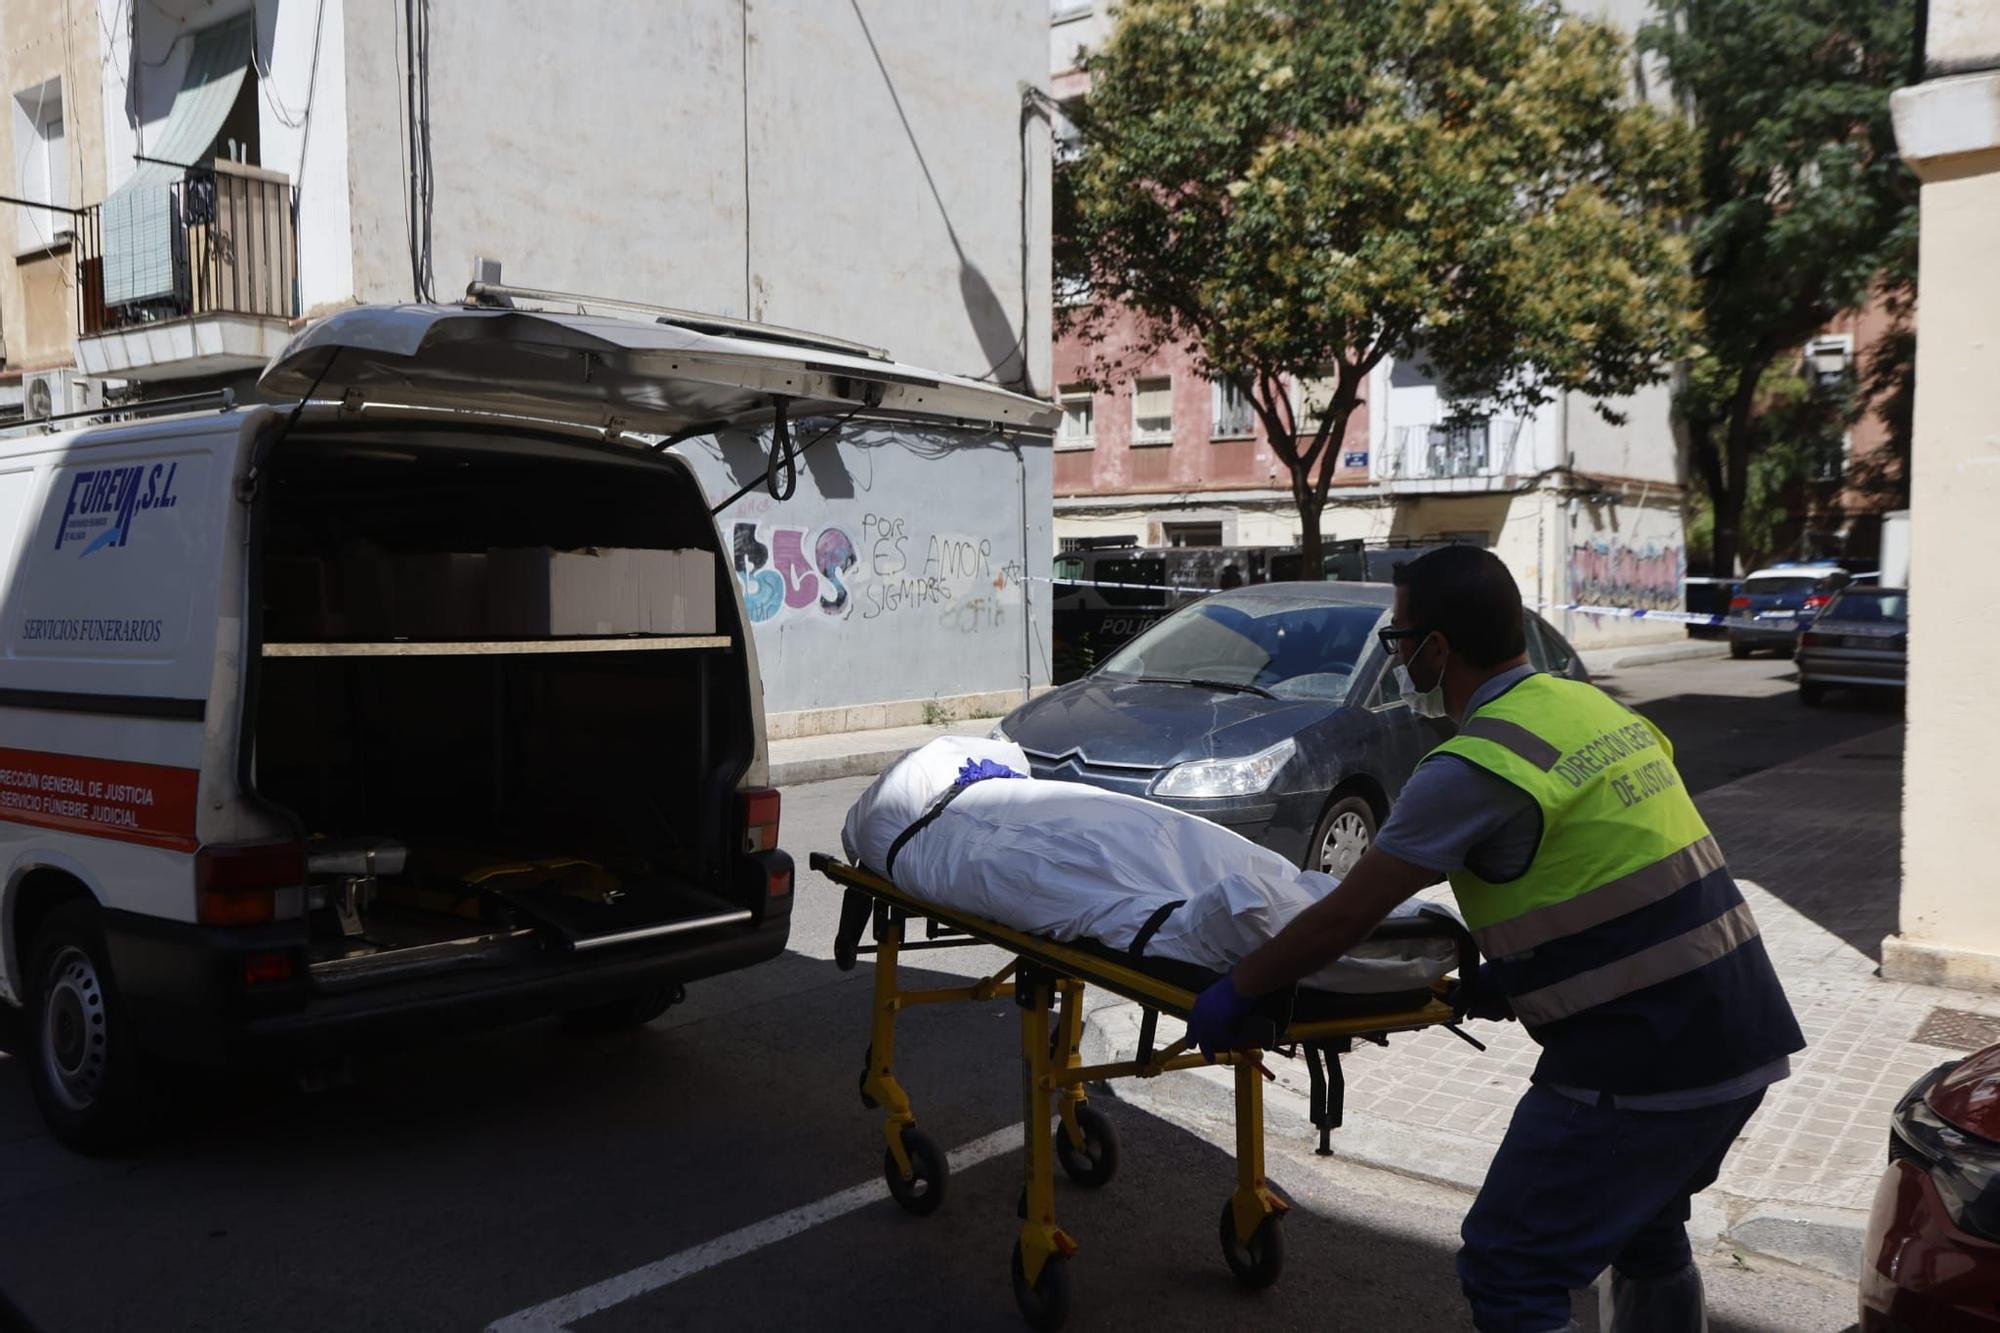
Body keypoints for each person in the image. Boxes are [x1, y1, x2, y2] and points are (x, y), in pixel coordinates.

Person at [1188, 546, 1803, 1333]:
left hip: (1643, 1058)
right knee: (1644, 1228)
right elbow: (1612, 867)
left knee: (1510, 1267)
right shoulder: (1594, 711)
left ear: (1437, 649)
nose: (1398, 653)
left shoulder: (1475, 764)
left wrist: (1242, 987)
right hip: (1742, 1033)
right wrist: (1517, 978)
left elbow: (1347, 914)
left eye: (1400, 637)